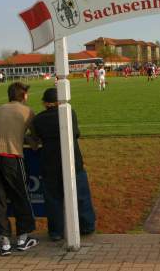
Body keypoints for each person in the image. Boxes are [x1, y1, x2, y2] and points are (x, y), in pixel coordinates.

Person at [32, 88, 96, 241]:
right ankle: (86, 226)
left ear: (44, 103)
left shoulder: (38, 119)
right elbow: (76, 133)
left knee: (53, 199)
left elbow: (36, 139)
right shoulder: (69, 112)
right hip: (73, 160)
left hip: (50, 162)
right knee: (80, 195)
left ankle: (56, 232)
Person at [0, 82, 37, 256]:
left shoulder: (0, 109)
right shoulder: (28, 111)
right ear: (23, 96)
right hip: (12, 157)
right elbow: (35, 137)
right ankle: (23, 238)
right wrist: (28, 138)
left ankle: (5, 241)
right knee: (21, 197)